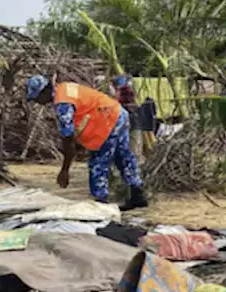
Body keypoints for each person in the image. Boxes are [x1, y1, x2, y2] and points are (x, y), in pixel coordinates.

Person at [25, 74, 148, 210]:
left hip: (106, 122)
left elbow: (68, 138)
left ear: (45, 91)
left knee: (98, 163)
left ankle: (100, 204)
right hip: (118, 113)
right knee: (122, 156)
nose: (37, 102)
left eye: (37, 98)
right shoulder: (65, 88)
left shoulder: (63, 103)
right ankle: (138, 195)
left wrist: (65, 170)